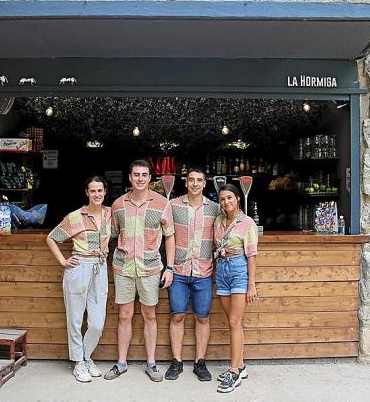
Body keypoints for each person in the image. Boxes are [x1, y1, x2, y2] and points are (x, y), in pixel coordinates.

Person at [104, 159, 175, 382]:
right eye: (136, 175)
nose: (140, 179)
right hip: (124, 267)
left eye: (144, 175)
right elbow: (111, 235)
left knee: (149, 315)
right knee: (124, 315)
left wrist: (170, 267)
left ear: (150, 178)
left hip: (151, 268)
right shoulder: (117, 205)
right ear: (130, 177)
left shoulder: (162, 204)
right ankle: (121, 363)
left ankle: (151, 363)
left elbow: (170, 236)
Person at [46, 176, 111, 383]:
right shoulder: (75, 217)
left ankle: (85, 355)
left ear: (105, 192)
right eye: (93, 191)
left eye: (100, 191)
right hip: (79, 266)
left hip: (100, 268)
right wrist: (63, 261)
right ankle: (78, 363)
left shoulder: (110, 214)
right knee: (74, 319)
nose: (97, 194)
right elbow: (52, 237)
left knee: (97, 323)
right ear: (86, 193)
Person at [164, 167, 220, 382]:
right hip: (178, 272)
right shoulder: (174, 205)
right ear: (185, 182)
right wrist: (169, 266)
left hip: (203, 272)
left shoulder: (215, 208)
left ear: (205, 184)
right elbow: (167, 236)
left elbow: (226, 229)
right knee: (177, 316)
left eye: (199, 180)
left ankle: (200, 362)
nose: (195, 183)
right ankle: (176, 361)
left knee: (202, 317)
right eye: (191, 180)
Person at [213, 183, 259, 394]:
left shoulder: (247, 222)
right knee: (233, 322)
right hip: (222, 269)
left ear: (238, 199)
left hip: (239, 268)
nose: (226, 202)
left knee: (234, 321)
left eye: (230, 198)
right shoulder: (219, 221)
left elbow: (251, 255)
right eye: (222, 199)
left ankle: (233, 371)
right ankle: (241, 366)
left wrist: (251, 284)